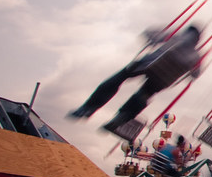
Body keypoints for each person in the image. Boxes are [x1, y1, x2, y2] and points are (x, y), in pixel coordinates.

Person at [69, 25, 203, 138]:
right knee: (145, 94)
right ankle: (122, 116)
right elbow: (195, 75)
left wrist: (154, 38)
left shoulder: (174, 37)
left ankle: (89, 107)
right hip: (162, 80)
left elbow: (149, 34)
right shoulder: (196, 56)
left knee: (121, 77)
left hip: (148, 64)